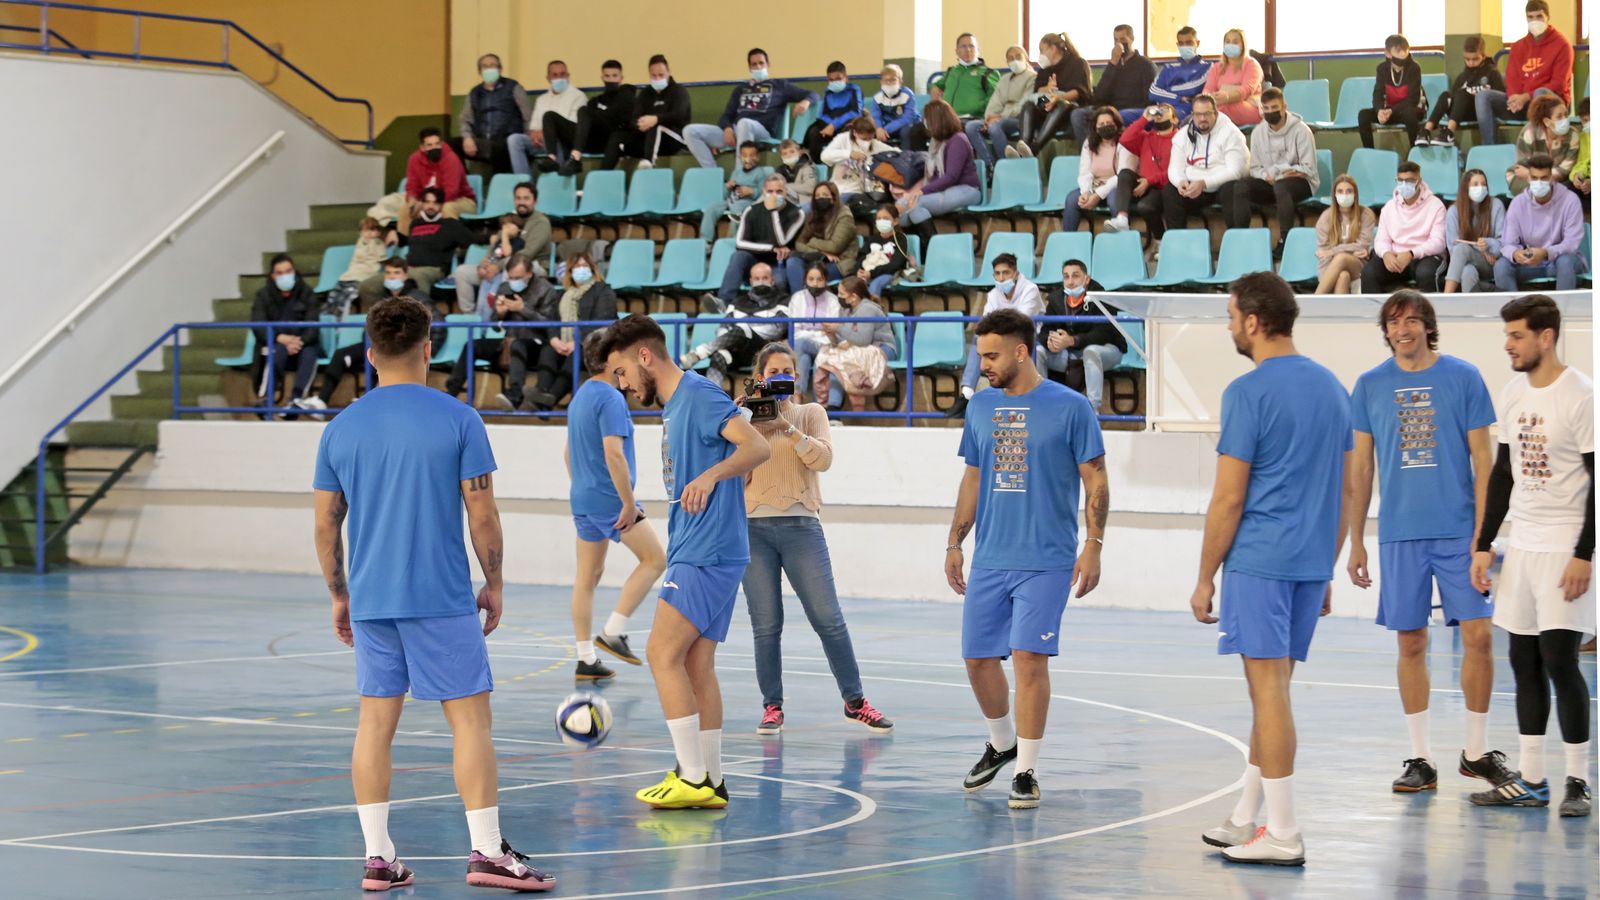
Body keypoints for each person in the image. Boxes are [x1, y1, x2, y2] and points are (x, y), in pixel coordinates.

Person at [311, 295, 555, 892]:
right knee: (470, 723)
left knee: (374, 726)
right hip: (441, 597)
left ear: (369, 356)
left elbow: (325, 525)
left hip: (372, 599)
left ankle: (378, 859)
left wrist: (340, 595)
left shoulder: (340, 429)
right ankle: (487, 853)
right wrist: (493, 580)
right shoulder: (458, 419)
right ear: (428, 349)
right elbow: (483, 512)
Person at [1191, 272, 1352, 866]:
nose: (1230, 326)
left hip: (1260, 560)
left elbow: (1229, 498)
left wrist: (1206, 574)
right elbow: (1345, 491)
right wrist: (1327, 567)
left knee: (1268, 696)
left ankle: (1282, 833)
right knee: (1273, 694)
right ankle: (1246, 817)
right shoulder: (1334, 388)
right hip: (1309, 562)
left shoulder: (1247, 391)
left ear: (1253, 321)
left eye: (1232, 316)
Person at [599, 314, 771, 810]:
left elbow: (756, 446)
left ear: (645, 356)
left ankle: (691, 775)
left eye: (622, 372)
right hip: (704, 548)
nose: (623, 384)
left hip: (706, 551)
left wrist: (711, 476)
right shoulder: (676, 406)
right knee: (697, 663)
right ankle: (711, 778)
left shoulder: (698, 396)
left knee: (660, 653)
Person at [1345, 290, 1508, 795]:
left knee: (1479, 637)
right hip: (1400, 534)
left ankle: (1477, 754)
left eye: (1413, 319)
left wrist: (1484, 536)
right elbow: (1361, 469)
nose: (1404, 328)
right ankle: (1420, 757)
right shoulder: (1370, 385)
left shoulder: (1464, 377)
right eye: (1394, 321)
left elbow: (1485, 462)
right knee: (1411, 641)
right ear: (1386, 330)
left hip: (1460, 532)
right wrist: (1356, 542)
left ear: (1428, 326)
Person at [945, 307, 1108, 811]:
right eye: (980, 357)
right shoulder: (980, 408)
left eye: (992, 356)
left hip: (1048, 559)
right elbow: (973, 476)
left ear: (1020, 351)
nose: (984, 366)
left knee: (1028, 660)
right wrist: (954, 541)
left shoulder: (1071, 406)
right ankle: (1002, 741)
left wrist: (1094, 545)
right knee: (976, 660)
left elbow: (1096, 481)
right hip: (991, 556)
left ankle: (1027, 769)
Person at [1469, 294, 1593, 818]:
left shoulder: (1582, 395)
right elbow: (1502, 474)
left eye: (1516, 335)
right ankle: (1533, 779)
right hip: (1523, 542)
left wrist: (1586, 554)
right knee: (1522, 660)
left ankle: (1578, 781)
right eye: (1507, 335)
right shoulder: (1512, 393)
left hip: (1567, 542)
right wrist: (1483, 544)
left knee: (1560, 659)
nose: (1508, 345)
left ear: (1546, 337)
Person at [740, 341, 894, 736]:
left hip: (801, 527)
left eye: (787, 371)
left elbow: (822, 459)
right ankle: (771, 705)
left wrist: (786, 429)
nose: (781, 378)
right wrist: (743, 422)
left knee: (828, 618)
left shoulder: (810, 414)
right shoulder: (743, 420)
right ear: (759, 378)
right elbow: (735, 476)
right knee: (765, 624)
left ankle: (855, 701)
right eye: (773, 372)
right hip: (753, 528)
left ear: (797, 376)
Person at [564, 328, 666, 681]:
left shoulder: (581, 397)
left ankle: (585, 658)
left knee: (587, 577)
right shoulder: (609, 399)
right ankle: (613, 631)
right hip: (610, 498)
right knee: (655, 559)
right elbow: (613, 452)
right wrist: (627, 502)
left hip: (583, 497)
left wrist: (582, 486)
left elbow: (568, 452)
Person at [304, 257, 431, 413]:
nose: (391, 277)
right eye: (388, 273)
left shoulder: (418, 298)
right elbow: (372, 326)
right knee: (341, 354)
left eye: (396, 273)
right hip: (378, 343)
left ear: (405, 275)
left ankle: (370, 398)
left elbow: (435, 325)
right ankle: (322, 400)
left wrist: (427, 349)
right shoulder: (381, 299)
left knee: (382, 353)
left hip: (404, 346)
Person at [443, 256, 553, 409]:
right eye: (511, 277)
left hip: (536, 345)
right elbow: (494, 326)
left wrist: (523, 309)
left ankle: (515, 394)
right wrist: (499, 315)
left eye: (518, 277)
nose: (514, 281)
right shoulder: (505, 287)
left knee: (518, 345)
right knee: (472, 345)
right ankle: (451, 393)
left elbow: (550, 324)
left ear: (529, 273)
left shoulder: (546, 289)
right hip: (506, 342)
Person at [1222, 87, 1318, 254]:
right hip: (1270, 181)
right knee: (1241, 186)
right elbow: (1255, 168)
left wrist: (1281, 173)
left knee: (1282, 187)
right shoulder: (1259, 132)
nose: (1270, 112)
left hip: (1300, 182)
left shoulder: (1302, 131)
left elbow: (1308, 168)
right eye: (1266, 109)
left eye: (1274, 108)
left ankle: (1285, 240)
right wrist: (1266, 176)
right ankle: (1240, 239)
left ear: (1284, 107)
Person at [948, 253, 1043, 419]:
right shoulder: (993, 294)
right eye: (997, 274)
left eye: (1005, 273)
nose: (1001, 278)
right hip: (1002, 341)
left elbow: (1020, 321)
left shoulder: (1030, 289)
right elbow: (985, 324)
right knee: (979, 340)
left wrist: (996, 327)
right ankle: (967, 393)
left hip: (1029, 339)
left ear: (1015, 273)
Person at [683, 49, 817, 168]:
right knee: (690, 131)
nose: (758, 67)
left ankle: (739, 172)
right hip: (736, 131)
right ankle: (711, 172)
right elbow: (727, 115)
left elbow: (813, 94)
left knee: (744, 123)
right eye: (754, 64)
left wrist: (806, 102)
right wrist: (727, 128)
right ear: (749, 67)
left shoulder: (779, 85)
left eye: (761, 63)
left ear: (768, 64)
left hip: (762, 130)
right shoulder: (740, 89)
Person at [1474, 1, 1574, 147]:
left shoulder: (1562, 45)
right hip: (1523, 104)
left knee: (1541, 93)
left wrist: (1526, 96)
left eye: (1539, 16)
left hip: (1553, 103)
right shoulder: (1518, 47)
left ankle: (1537, 146)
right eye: (1530, 17)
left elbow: (1558, 84)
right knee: (1483, 96)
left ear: (1548, 17)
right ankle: (1490, 148)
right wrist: (1515, 99)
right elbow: (1512, 79)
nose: (1535, 21)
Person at [528, 252, 618, 411]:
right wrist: (554, 339)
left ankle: (552, 397)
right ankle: (541, 393)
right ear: (569, 272)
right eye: (577, 267)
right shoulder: (562, 294)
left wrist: (579, 341)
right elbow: (552, 319)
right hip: (566, 343)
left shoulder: (603, 291)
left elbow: (602, 321)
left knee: (578, 354)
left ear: (592, 269)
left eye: (585, 266)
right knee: (548, 350)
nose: (581, 270)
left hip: (595, 344)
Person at [1038, 259, 1126, 412]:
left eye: (1075, 276)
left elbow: (1102, 334)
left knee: (1091, 351)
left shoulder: (1101, 297)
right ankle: (1043, 407)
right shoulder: (1056, 299)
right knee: (1038, 352)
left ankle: (1093, 411)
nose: (1070, 282)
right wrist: (1051, 341)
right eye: (1066, 277)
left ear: (1087, 279)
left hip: (1107, 350)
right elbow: (1045, 330)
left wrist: (1072, 340)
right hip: (1070, 354)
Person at [364, 187, 475, 307]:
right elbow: (409, 241)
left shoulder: (450, 224)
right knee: (367, 286)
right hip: (408, 268)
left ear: (442, 205)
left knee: (415, 277)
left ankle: (419, 318)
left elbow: (472, 238)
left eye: (435, 202)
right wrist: (395, 234)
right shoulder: (415, 223)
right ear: (422, 203)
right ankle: (383, 316)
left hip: (433, 269)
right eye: (427, 202)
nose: (430, 206)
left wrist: (490, 237)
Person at [453, 183, 552, 314]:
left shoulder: (541, 222)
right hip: (502, 265)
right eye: (518, 198)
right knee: (461, 272)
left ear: (535, 201)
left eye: (526, 198)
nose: (521, 202)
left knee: (510, 269)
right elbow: (495, 245)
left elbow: (526, 255)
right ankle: (472, 318)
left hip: (532, 267)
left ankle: (498, 317)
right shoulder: (511, 218)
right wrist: (484, 264)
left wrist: (498, 266)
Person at [1494, 154, 1588, 291]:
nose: (1539, 182)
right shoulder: (1517, 203)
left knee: (1565, 261)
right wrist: (1515, 254)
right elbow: (1507, 243)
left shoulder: (1570, 200)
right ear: (1528, 178)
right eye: (1534, 178)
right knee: (1501, 266)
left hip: (1561, 261)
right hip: (1530, 263)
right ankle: (1514, 309)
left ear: (1552, 178)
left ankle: (1564, 310)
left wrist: (1545, 252)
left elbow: (1571, 243)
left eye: (1544, 178)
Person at [683, 261, 787, 381]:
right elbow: (724, 328)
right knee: (719, 355)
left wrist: (747, 326)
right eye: (757, 278)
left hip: (764, 350)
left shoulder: (782, 300)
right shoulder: (737, 302)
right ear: (751, 281)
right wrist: (731, 341)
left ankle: (698, 353)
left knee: (743, 328)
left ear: (772, 280)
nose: (761, 282)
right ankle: (713, 397)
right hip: (738, 350)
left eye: (765, 278)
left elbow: (777, 329)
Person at [899, 100, 982, 245]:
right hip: (946, 189)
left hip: (968, 190)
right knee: (901, 206)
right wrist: (915, 193)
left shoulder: (958, 140)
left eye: (927, 118)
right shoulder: (937, 142)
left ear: (936, 120)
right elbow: (935, 176)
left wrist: (922, 191)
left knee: (916, 205)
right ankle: (913, 252)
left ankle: (933, 249)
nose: (925, 122)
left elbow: (951, 176)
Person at [1162, 94, 1249, 234]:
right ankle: (1177, 242)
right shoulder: (1182, 135)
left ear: (1215, 113)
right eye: (1198, 114)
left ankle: (1237, 239)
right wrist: (1180, 182)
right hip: (1196, 188)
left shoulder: (1231, 133)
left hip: (1223, 186)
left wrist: (1204, 183)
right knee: (1170, 191)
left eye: (1207, 114)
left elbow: (1235, 171)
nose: (1202, 119)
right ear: (1192, 115)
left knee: (1232, 189)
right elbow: (1174, 168)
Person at [813, 276, 897, 411]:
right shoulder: (845, 310)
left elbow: (863, 340)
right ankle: (825, 408)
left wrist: (838, 328)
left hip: (882, 349)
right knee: (828, 358)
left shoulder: (867, 309)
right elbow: (843, 342)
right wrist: (832, 336)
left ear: (853, 297)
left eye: (841, 294)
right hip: (858, 349)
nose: (838, 297)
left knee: (837, 362)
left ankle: (834, 409)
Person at [718, 174, 803, 304]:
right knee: (738, 256)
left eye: (779, 191)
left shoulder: (797, 213)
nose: (774, 195)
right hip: (755, 262)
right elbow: (740, 243)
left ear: (786, 192)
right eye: (770, 191)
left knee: (779, 281)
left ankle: (780, 312)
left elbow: (781, 241)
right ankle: (723, 303)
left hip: (779, 263)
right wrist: (772, 248)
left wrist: (773, 212)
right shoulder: (751, 211)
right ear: (764, 192)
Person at [251, 253, 320, 414]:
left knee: (311, 352)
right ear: (272, 276)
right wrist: (279, 338)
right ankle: (265, 400)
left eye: (288, 271)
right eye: (280, 273)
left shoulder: (307, 293)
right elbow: (258, 325)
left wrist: (297, 342)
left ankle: (296, 400)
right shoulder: (263, 295)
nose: (285, 276)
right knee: (277, 350)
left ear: (294, 272)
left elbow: (313, 326)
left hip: (303, 344)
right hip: (277, 344)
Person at [1363, 161, 1446, 293]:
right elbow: (1381, 240)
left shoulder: (1436, 206)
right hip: (1396, 257)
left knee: (1426, 273)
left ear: (1419, 181)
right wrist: (1386, 254)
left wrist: (1411, 253)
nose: (1404, 185)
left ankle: (1430, 312)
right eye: (1400, 180)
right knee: (1369, 272)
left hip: (1424, 257)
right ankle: (1374, 312)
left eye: (1409, 181)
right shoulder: (1389, 207)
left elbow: (1438, 242)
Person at [547, 60, 636, 177]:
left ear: (621, 77)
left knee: (583, 110)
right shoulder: (595, 101)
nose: (611, 79)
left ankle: (575, 158)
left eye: (615, 76)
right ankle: (552, 159)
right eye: (607, 76)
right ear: (602, 77)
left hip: (612, 140)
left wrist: (601, 114)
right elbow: (588, 124)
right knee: (549, 116)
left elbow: (620, 114)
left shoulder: (626, 93)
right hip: (592, 140)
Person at [910, 33, 998, 150]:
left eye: (971, 46)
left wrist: (976, 107)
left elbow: (995, 97)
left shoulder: (988, 73)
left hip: (971, 118)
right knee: (914, 131)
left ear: (978, 50)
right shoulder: (952, 71)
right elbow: (936, 84)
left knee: (949, 130)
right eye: (963, 46)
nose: (967, 49)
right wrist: (934, 87)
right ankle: (920, 163)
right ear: (957, 51)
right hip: (946, 118)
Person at [1071, 24, 1156, 141]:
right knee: (1078, 115)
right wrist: (1113, 64)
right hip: (1109, 109)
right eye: (1116, 40)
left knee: (1120, 116)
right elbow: (1099, 95)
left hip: (1131, 110)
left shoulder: (1145, 64)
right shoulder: (1113, 64)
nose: (1119, 44)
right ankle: (1092, 149)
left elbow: (1149, 97)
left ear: (1132, 39)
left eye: (1123, 39)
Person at [1104, 102, 1177, 238]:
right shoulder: (1146, 137)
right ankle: (1122, 218)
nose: (1160, 112)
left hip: (1166, 187)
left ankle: (1161, 240)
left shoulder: (1180, 139)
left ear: (1175, 119)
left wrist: (1149, 181)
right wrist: (1144, 119)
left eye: (1165, 110)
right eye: (1158, 110)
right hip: (1144, 184)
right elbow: (1125, 139)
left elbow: (1177, 170)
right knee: (1125, 173)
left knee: (1145, 207)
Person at [1418, 36, 1504, 147]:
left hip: (1480, 111)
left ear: (1483, 56)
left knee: (1463, 93)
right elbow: (1454, 99)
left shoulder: (1492, 73)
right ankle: (1425, 132)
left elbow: (1499, 96)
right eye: (1467, 59)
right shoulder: (1462, 77)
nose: (1471, 63)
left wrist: (1478, 96)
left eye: (1475, 59)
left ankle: (1449, 133)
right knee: (1446, 95)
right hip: (1461, 112)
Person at [1017, 31, 1093, 156]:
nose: (1040, 55)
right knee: (1029, 104)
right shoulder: (1045, 70)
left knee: (1060, 104)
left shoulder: (1078, 64)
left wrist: (1058, 97)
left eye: (1042, 50)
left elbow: (1078, 92)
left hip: (1070, 104)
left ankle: (1035, 148)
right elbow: (1038, 90)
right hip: (1048, 101)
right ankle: (1024, 146)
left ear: (1053, 49)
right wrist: (1047, 88)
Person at [508, 60, 587, 177]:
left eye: (562, 74)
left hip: (563, 141)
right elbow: (534, 123)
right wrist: (535, 133)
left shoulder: (578, 96)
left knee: (556, 137)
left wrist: (544, 133)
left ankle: (557, 179)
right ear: (548, 78)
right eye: (555, 75)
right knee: (514, 140)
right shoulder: (541, 99)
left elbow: (571, 125)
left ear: (568, 76)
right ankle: (525, 183)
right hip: (541, 141)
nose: (559, 78)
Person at [459, 53, 530, 175]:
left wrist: (528, 139)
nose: (489, 69)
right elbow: (466, 119)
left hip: (507, 141)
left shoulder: (513, 87)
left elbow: (527, 115)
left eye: (492, 65)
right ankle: (466, 184)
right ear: (480, 71)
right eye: (485, 66)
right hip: (482, 142)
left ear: (500, 69)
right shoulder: (474, 93)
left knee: (498, 147)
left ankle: (499, 184)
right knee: (449, 146)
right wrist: (467, 138)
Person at [399, 128, 478, 235]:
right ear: (422, 147)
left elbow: (451, 192)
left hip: (462, 200)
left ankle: (452, 246)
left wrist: (426, 203)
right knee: (406, 209)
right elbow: (412, 187)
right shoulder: (414, 159)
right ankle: (407, 245)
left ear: (441, 143)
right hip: (429, 201)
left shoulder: (451, 158)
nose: (434, 148)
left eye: (437, 144)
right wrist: (413, 201)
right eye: (429, 145)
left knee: (447, 207)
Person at [1061, 107, 1127, 233]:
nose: (1105, 126)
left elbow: (1122, 175)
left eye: (1109, 123)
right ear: (1095, 128)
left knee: (1114, 200)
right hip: (1095, 186)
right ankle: (1068, 241)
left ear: (1116, 125)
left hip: (1117, 187)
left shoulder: (1124, 142)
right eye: (1101, 124)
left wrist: (1098, 195)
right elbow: (1084, 171)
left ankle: (1122, 241)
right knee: (1071, 199)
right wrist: (1086, 192)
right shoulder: (1089, 143)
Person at [966, 45, 1034, 166]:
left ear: (1026, 58)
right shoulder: (1004, 79)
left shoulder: (1032, 77)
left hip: (1019, 119)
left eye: (1018, 56)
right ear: (1007, 62)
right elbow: (995, 101)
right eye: (1011, 58)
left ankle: (1007, 165)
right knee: (971, 126)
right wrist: (988, 119)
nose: (1015, 60)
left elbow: (1025, 103)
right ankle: (990, 165)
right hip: (999, 118)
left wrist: (1000, 117)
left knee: (994, 126)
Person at [620, 54, 692, 169]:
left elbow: (679, 115)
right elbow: (634, 118)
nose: (657, 79)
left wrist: (656, 119)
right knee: (624, 144)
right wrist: (641, 124)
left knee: (656, 125)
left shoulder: (679, 91)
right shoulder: (645, 94)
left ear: (669, 72)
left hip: (675, 139)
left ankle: (649, 161)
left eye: (661, 75)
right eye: (653, 76)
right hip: (651, 140)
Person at [1358, 34, 1426, 149]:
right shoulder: (1382, 69)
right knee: (1363, 115)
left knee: (1409, 114)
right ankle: (1369, 152)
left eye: (1405, 59)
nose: (1401, 64)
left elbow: (1413, 99)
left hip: (1409, 110)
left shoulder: (1414, 68)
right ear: (1387, 54)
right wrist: (1379, 110)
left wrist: (1391, 110)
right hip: (1390, 111)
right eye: (1397, 60)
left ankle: (1414, 152)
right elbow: (1378, 93)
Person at [1442, 169, 1505, 293]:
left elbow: (1503, 243)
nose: (1480, 188)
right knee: (1467, 271)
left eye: (1483, 184)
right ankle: (1471, 310)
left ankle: (1446, 297)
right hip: (1466, 263)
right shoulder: (1454, 211)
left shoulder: (1496, 205)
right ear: (1466, 188)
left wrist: (1487, 244)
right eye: (1475, 184)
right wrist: (1481, 250)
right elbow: (1452, 249)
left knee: (1461, 249)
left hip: (1492, 263)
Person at [1314, 175, 1377, 294]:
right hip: (1331, 267)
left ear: (1355, 194)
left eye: (1349, 191)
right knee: (1343, 276)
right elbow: (1323, 254)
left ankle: (1314, 301)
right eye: (1340, 191)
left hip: (1359, 265)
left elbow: (1361, 246)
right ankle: (1339, 312)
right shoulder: (1325, 217)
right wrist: (1325, 278)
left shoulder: (1366, 214)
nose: (1345, 195)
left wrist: (1334, 251)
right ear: (1335, 195)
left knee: (1341, 257)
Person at [787, 264, 840, 401]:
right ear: (805, 280)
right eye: (811, 279)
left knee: (805, 349)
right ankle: (800, 399)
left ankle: (803, 400)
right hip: (803, 343)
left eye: (819, 279)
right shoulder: (797, 298)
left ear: (826, 280)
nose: (815, 283)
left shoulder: (833, 300)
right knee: (803, 359)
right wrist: (818, 333)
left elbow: (832, 331)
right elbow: (795, 330)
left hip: (825, 345)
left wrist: (813, 333)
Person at [787, 182, 857, 286]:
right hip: (817, 258)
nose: (821, 198)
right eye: (817, 196)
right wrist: (820, 254)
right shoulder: (813, 214)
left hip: (839, 262)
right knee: (793, 262)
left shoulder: (844, 216)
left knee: (812, 274)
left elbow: (834, 246)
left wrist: (812, 241)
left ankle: (805, 298)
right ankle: (799, 300)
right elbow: (799, 243)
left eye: (825, 195)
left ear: (834, 197)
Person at [700, 141, 772, 242]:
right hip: (731, 200)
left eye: (752, 155)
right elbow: (725, 195)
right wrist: (727, 187)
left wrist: (752, 191)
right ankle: (706, 241)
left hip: (748, 202)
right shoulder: (736, 173)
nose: (748, 159)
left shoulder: (760, 173)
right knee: (711, 208)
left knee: (737, 208)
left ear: (758, 157)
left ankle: (735, 239)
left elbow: (763, 193)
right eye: (745, 155)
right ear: (739, 158)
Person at [1507, 94, 1579, 195]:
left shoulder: (1573, 135)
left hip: (1558, 181)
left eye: (1566, 115)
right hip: (1532, 180)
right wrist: (1535, 177)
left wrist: (1534, 175)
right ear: (1546, 121)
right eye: (1559, 117)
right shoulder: (1529, 132)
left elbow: (1565, 170)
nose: (1565, 120)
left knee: (1566, 186)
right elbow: (1522, 166)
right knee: (1512, 175)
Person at [324, 217, 389, 318]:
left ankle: (342, 319)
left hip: (365, 275)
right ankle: (329, 316)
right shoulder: (361, 241)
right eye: (365, 230)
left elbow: (383, 260)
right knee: (334, 294)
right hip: (350, 275)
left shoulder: (378, 244)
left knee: (348, 296)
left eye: (372, 230)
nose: (368, 233)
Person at [820, 116, 892, 202]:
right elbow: (824, 156)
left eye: (870, 138)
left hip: (855, 191)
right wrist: (849, 154)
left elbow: (896, 152)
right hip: (836, 187)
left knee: (837, 203)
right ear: (854, 133)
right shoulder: (843, 139)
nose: (867, 142)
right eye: (864, 139)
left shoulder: (875, 144)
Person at [804, 61, 863, 163]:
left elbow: (855, 112)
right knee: (814, 133)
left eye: (838, 79)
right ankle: (818, 167)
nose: (834, 82)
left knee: (849, 132)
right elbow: (822, 114)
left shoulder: (854, 90)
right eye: (831, 80)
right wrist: (828, 126)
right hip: (829, 127)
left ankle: (848, 165)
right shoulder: (828, 92)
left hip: (846, 125)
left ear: (846, 77)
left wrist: (833, 125)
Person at [1204, 28, 1264, 127]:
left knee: (1218, 108)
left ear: (1243, 46)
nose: (1230, 44)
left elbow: (1247, 90)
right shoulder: (1217, 67)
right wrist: (1209, 98)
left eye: (1235, 42)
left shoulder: (1251, 64)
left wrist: (1227, 98)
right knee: (1204, 107)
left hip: (1249, 107)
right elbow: (1207, 89)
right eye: (1227, 42)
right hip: (1219, 105)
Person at [1149, 26, 1209, 122]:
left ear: (1197, 43)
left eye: (1189, 43)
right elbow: (1153, 92)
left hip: (1186, 109)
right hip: (1162, 108)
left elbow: (1193, 89)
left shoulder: (1208, 67)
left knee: (1167, 118)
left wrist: (1167, 90)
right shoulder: (1168, 67)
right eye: (1181, 43)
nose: (1184, 46)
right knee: (1125, 115)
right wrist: (1179, 97)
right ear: (1177, 45)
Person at [859, 203, 916, 298]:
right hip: (868, 272)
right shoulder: (872, 239)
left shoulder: (900, 238)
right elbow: (861, 257)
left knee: (876, 284)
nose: (881, 221)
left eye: (886, 218)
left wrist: (872, 273)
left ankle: (873, 310)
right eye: (879, 218)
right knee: (853, 284)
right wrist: (859, 271)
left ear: (896, 221)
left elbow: (896, 263)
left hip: (889, 274)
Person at [871, 64, 919, 146]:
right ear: (881, 82)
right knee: (872, 132)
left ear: (900, 82)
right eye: (886, 80)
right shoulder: (877, 97)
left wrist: (885, 129)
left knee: (906, 132)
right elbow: (876, 116)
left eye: (893, 80)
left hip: (906, 126)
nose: (889, 83)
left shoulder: (907, 94)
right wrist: (879, 128)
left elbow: (908, 118)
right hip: (886, 128)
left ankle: (905, 156)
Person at [772, 139, 818, 211]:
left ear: (799, 152)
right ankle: (754, 209)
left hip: (803, 201)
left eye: (792, 152)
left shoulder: (807, 166)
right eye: (785, 153)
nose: (789, 155)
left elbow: (810, 188)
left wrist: (785, 186)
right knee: (770, 192)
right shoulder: (780, 169)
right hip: (785, 199)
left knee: (779, 192)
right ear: (781, 156)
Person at [1572, 98, 1591, 199]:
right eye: (1582, 121)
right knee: (1565, 189)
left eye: (1587, 120)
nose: (1584, 124)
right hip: (1588, 179)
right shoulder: (1583, 137)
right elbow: (1581, 161)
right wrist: (1577, 175)